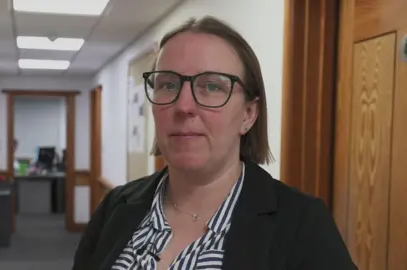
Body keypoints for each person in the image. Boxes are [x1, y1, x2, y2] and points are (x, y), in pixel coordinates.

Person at [72, 16, 357, 270]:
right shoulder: (115, 207)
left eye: (212, 87)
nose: (184, 106)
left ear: (249, 113)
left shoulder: (302, 225)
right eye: (168, 84)